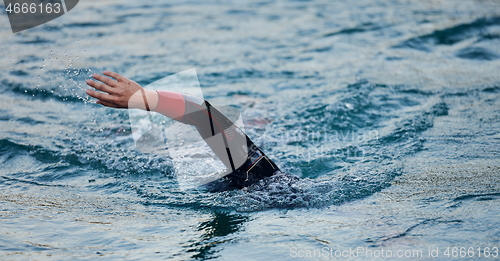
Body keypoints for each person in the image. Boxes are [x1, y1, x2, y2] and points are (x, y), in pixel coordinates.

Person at [86, 71, 281, 191]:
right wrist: (143, 98)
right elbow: (201, 112)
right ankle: (256, 111)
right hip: (192, 145)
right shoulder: (260, 177)